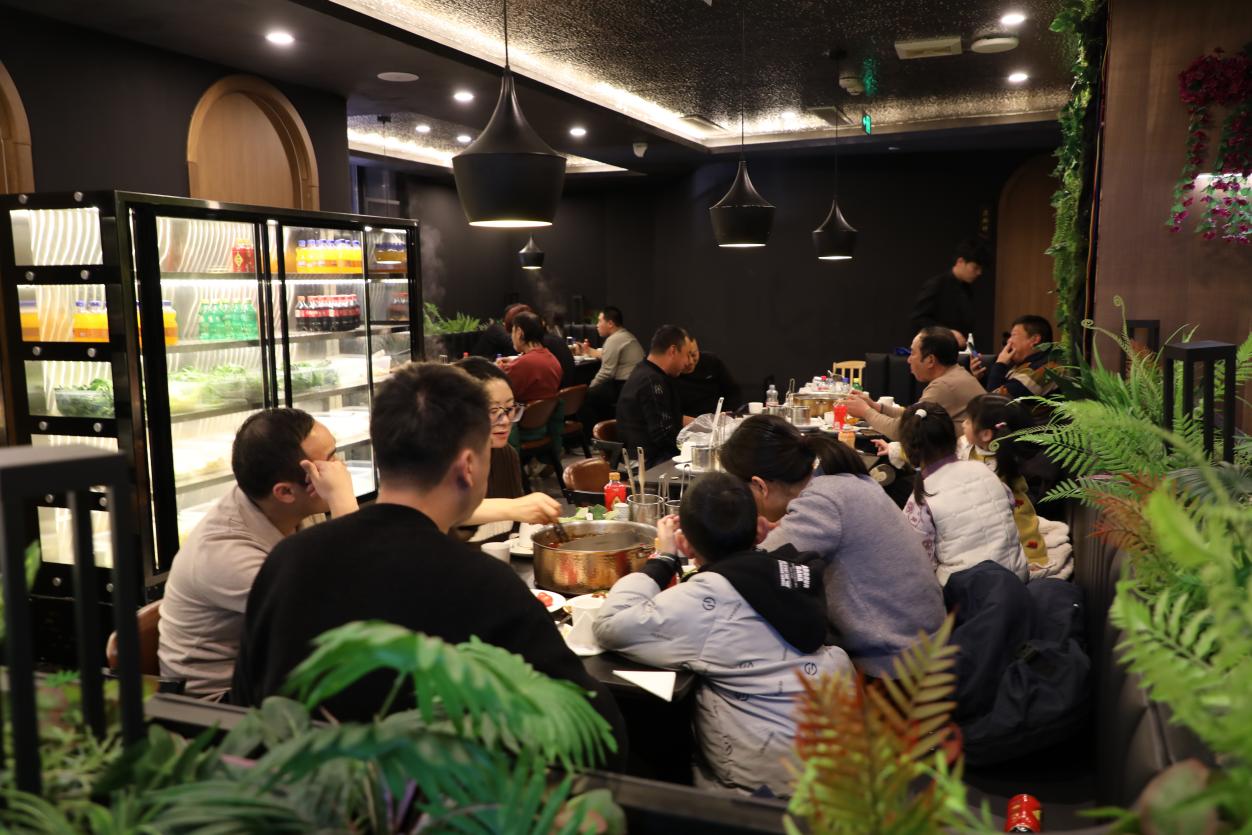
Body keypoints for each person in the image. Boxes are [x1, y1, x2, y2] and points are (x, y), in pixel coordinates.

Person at [230, 363, 627, 757]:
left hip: (298, 786)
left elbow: (248, 706)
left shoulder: (287, 560)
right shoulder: (482, 584)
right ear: (468, 466)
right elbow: (597, 733)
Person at [593, 473, 851, 796]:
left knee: (649, 747)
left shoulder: (708, 597)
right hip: (841, 770)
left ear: (686, 544)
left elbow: (610, 624)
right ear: (760, 530)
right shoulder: (793, 570)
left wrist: (664, 559)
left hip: (757, 793)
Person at [719, 416, 945, 678]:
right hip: (925, 645)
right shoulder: (841, 480)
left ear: (760, 485)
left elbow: (746, 574)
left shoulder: (821, 503)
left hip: (894, 668)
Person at [158, 408, 359, 700]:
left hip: (274, 669)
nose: (340, 471)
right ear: (285, 492)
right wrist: (344, 502)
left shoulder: (290, 508)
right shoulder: (226, 554)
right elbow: (344, 617)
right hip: (218, 703)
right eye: (327, 464)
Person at [897, 402, 1027, 586]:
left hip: (968, 592)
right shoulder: (985, 470)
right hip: (1017, 576)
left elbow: (919, 563)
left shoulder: (920, 499)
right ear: (953, 436)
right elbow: (1009, 510)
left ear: (908, 448)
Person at [452, 357, 561, 542]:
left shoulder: (506, 454)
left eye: (509, 409)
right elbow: (437, 511)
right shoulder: (439, 461)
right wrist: (513, 507)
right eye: (492, 411)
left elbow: (514, 530)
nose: (504, 421)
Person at [960, 394, 1048, 573]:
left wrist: (1034, 558)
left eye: (968, 421)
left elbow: (1024, 526)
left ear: (986, 434)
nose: (963, 424)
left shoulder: (998, 469)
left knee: (1021, 524)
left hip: (1010, 514)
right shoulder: (971, 447)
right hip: (983, 518)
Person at [844, 327, 984, 440]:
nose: (909, 359)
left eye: (912, 353)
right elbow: (911, 415)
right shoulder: (956, 374)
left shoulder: (944, 386)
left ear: (930, 360)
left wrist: (865, 412)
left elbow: (902, 431)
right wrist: (876, 407)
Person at [615, 325, 695, 467]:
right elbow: (663, 435)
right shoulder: (652, 382)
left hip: (650, 454)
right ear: (673, 351)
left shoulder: (646, 373)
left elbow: (669, 420)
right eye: (687, 354)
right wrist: (694, 447)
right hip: (645, 462)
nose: (688, 362)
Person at [909, 237, 991, 349]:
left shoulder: (967, 289)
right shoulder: (937, 285)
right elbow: (918, 319)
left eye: (981, 269)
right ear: (960, 262)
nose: (979, 273)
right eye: (975, 268)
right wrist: (947, 333)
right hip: (935, 351)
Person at [972, 315, 1062, 401]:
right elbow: (996, 389)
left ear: (1035, 340)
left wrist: (1000, 364)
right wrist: (980, 378)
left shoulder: (1045, 368)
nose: (1009, 341)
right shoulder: (1023, 363)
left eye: (1013, 335)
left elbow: (995, 402)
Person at [581, 306, 645, 426]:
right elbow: (606, 355)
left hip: (625, 386)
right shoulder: (625, 335)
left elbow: (606, 372)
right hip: (636, 385)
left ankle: (593, 433)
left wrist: (590, 387)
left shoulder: (614, 339)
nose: (597, 325)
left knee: (585, 397)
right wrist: (588, 350)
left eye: (600, 321)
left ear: (610, 323)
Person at [501, 311, 562, 403]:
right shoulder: (552, 358)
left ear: (519, 333)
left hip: (523, 411)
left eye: (512, 331)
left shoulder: (524, 364)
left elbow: (502, 393)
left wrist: (499, 368)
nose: (511, 337)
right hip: (544, 411)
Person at [673, 337, 741, 417]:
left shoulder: (711, 361)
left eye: (694, 354)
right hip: (689, 420)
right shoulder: (671, 373)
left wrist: (725, 414)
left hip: (718, 417)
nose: (690, 361)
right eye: (685, 356)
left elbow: (733, 391)